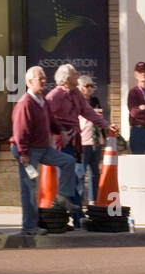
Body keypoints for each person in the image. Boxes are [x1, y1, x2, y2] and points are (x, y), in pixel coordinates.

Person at [10, 65, 78, 237]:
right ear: (30, 82)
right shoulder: (25, 103)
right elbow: (20, 130)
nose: (43, 81)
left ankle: (62, 197)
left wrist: (60, 131)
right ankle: (29, 227)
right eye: (40, 78)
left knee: (68, 161)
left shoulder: (43, 101)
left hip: (43, 148)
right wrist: (23, 152)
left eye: (44, 78)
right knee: (30, 188)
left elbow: (51, 121)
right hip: (27, 150)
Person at [46, 65, 117, 228]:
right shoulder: (55, 95)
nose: (77, 76)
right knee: (69, 178)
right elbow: (46, 116)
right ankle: (74, 216)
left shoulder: (75, 94)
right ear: (67, 79)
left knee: (75, 177)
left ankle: (75, 216)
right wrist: (59, 130)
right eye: (74, 74)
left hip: (75, 139)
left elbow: (88, 111)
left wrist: (106, 125)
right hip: (61, 141)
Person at [75, 76, 105, 208]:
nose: (90, 89)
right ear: (81, 88)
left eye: (92, 86)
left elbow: (99, 117)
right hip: (83, 141)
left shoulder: (95, 101)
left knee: (95, 173)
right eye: (87, 86)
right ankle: (80, 203)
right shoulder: (76, 102)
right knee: (80, 173)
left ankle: (93, 201)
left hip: (95, 140)